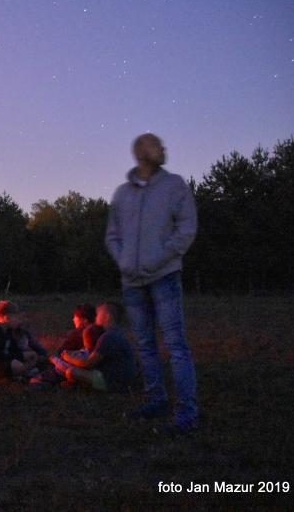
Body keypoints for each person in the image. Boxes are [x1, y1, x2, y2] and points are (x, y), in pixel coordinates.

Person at [105, 132, 199, 434]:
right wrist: (123, 261)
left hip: (164, 277)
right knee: (145, 345)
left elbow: (186, 229)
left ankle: (186, 412)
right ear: (142, 152)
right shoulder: (122, 194)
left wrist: (160, 258)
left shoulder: (175, 186)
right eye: (157, 144)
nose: (164, 148)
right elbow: (112, 235)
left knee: (175, 345)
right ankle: (156, 400)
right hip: (131, 282)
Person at [59, 302, 136, 392]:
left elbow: (87, 363)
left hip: (113, 382)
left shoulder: (108, 337)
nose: (95, 318)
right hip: (120, 379)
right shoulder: (119, 333)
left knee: (71, 371)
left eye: (98, 315)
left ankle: (80, 386)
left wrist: (67, 357)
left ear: (107, 317)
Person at [0, 300, 47, 379]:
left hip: (10, 359)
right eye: (16, 318)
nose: (19, 321)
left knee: (33, 356)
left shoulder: (9, 330)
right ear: (6, 318)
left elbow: (14, 349)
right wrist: (21, 356)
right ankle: (25, 372)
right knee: (17, 365)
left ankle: (23, 373)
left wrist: (25, 354)